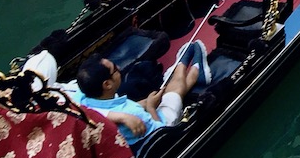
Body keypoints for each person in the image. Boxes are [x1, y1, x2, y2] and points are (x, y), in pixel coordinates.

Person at [75, 42, 208, 147]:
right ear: (107, 85)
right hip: (162, 125)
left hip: (135, 121)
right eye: (115, 69)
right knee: (174, 92)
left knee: (162, 93)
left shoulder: (82, 100)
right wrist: (150, 107)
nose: (119, 69)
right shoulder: (135, 113)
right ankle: (189, 70)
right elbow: (162, 133)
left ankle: (186, 71)